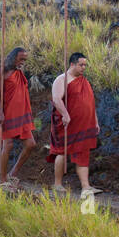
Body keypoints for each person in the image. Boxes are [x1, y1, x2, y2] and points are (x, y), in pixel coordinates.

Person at [47, 52, 100, 196]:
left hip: (85, 124)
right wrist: (65, 114)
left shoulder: (84, 81)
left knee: (83, 153)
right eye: (81, 65)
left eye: (85, 65)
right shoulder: (62, 79)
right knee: (62, 151)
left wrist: (95, 121)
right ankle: (57, 184)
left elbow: (91, 103)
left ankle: (86, 187)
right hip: (67, 123)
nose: (83, 68)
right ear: (72, 64)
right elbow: (57, 99)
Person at [0, 47, 34, 191]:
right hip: (8, 114)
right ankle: (3, 181)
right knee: (8, 145)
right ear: (13, 57)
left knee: (30, 144)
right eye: (20, 59)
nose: (22, 62)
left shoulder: (19, 72)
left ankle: (13, 174)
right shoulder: (2, 71)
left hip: (22, 115)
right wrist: (0, 113)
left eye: (24, 60)